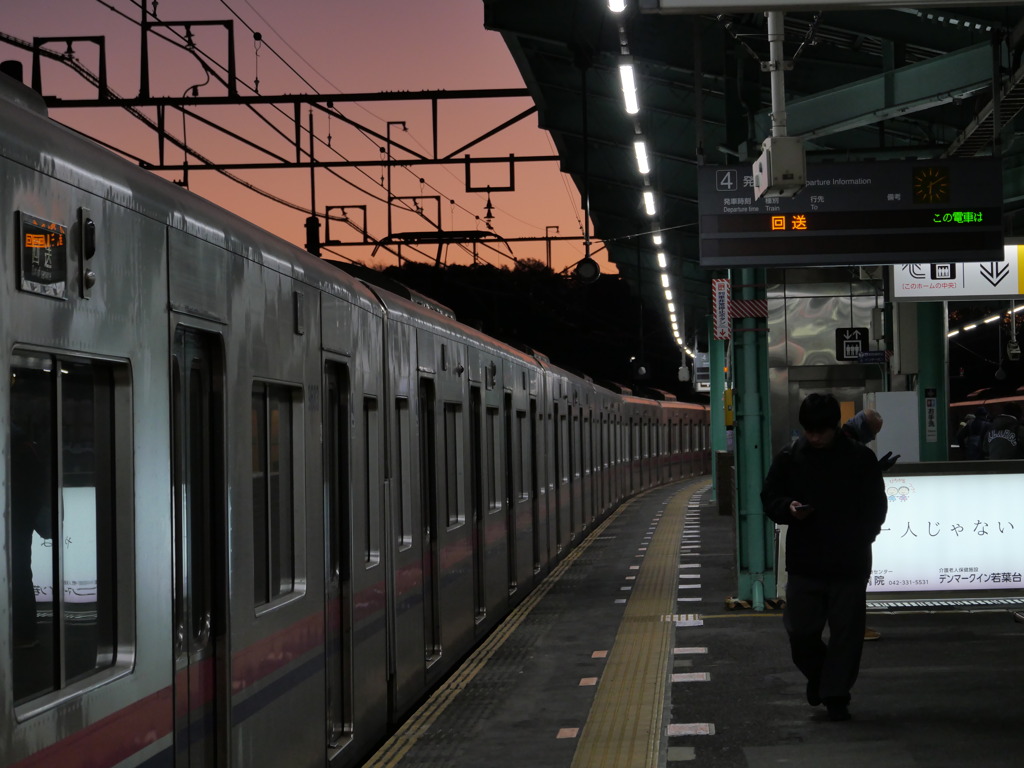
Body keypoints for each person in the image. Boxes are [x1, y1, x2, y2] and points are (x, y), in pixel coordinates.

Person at [762, 393, 888, 722]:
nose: (814, 437)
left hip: (850, 561)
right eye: (809, 431)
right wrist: (787, 508)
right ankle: (821, 678)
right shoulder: (789, 458)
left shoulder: (860, 459)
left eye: (821, 431)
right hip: (806, 561)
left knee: (847, 634)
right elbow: (770, 497)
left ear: (835, 427)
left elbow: (877, 505)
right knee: (801, 632)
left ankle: (835, 696)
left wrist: (864, 537)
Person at [841, 408, 896, 641]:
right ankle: (854, 629)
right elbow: (867, 493)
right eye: (872, 432)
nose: (872, 438)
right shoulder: (855, 452)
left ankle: (847, 627)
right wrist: (871, 531)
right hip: (854, 530)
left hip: (844, 529)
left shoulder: (841, 446)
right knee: (855, 582)